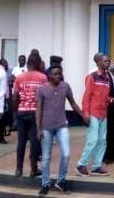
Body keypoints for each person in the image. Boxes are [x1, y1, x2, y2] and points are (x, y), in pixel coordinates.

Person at [36, 65, 84, 195]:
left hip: (62, 125)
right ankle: (45, 184)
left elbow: (73, 103)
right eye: (55, 74)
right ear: (49, 75)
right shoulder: (42, 89)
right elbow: (38, 109)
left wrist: (82, 115)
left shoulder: (65, 87)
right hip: (46, 127)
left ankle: (61, 181)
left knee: (66, 154)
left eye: (59, 74)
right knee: (46, 157)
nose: (58, 76)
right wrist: (38, 128)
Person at [12, 51, 48, 178]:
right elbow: (45, 97)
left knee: (21, 141)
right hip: (35, 113)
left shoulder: (19, 78)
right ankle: (33, 169)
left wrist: (16, 111)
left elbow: (15, 97)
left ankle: (18, 169)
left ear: (27, 64)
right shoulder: (43, 78)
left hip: (22, 111)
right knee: (34, 141)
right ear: (38, 63)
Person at [77, 53, 113, 177]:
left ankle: (96, 166)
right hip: (93, 113)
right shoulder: (92, 77)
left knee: (102, 141)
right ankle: (81, 164)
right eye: (105, 61)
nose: (108, 63)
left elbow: (103, 96)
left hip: (103, 113)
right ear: (98, 63)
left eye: (109, 61)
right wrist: (85, 114)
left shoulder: (108, 77)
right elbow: (86, 97)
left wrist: (111, 100)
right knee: (92, 140)